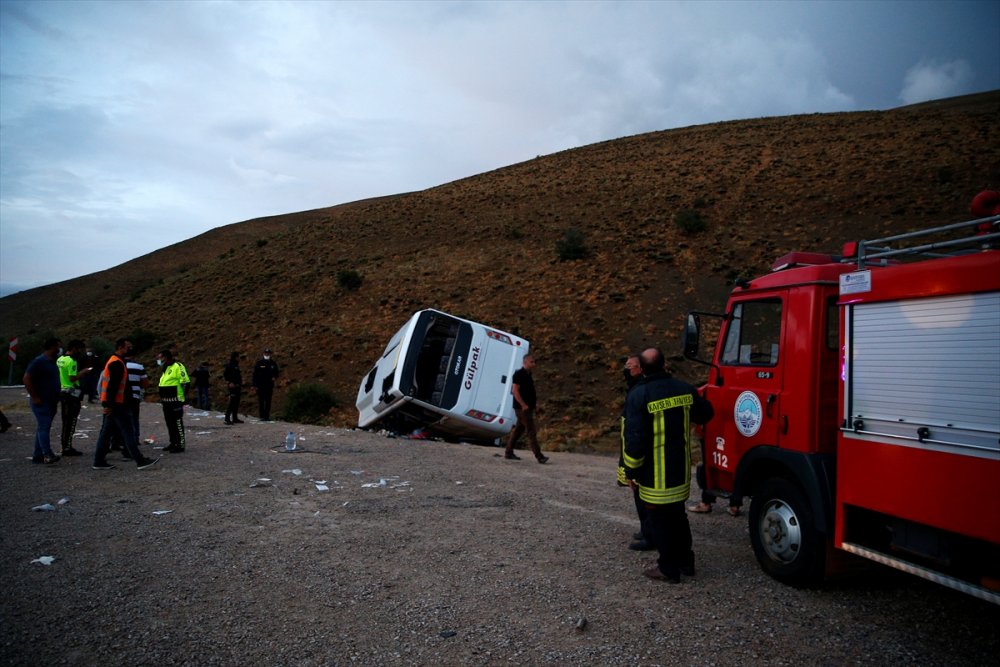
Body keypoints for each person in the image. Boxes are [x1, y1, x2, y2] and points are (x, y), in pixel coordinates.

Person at [623, 347, 713, 583]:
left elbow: (635, 438)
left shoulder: (639, 395)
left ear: (641, 369)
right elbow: (706, 414)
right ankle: (686, 562)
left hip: (655, 475)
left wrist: (630, 471)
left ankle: (668, 568)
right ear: (664, 364)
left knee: (659, 520)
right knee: (678, 516)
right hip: (680, 471)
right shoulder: (685, 389)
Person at [92, 338, 158, 470]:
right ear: (121, 347)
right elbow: (112, 387)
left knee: (106, 433)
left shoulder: (116, 361)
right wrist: (109, 405)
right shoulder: (117, 363)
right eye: (128, 347)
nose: (130, 349)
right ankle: (139, 460)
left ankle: (98, 461)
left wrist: (107, 405)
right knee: (128, 432)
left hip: (115, 405)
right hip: (118, 405)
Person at [617, 354, 653, 551]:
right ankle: (646, 529)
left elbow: (637, 428)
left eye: (629, 366)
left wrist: (631, 463)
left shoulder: (640, 389)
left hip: (637, 452)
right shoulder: (634, 387)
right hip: (630, 448)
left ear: (640, 368)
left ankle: (650, 534)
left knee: (641, 494)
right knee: (637, 493)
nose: (626, 369)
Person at [24, 338, 63, 464]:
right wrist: (35, 397)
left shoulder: (52, 362)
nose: (59, 349)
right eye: (58, 346)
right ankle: (48, 454)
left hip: (51, 401)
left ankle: (38, 455)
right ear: (52, 347)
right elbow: (27, 378)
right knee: (44, 426)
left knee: (43, 427)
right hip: (41, 401)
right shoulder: (39, 361)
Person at [504, 354, 548, 463]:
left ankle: (508, 452)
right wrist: (523, 405)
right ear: (525, 362)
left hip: (528, 408)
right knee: (531, 431)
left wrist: (533, 406)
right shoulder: (519, 374)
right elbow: (515, 391)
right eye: (532, 362)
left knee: (519, 430)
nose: (534, 364)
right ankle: (539, 456)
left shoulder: (529, 375)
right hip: (522, 408)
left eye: (534, 362)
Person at [56, 339, 91, 456]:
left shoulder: (60, 359)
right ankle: (67, 447)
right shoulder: (72, 361)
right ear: (74, 348)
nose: (80, 352)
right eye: (79, 349)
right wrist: (84, 372)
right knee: (71, 421)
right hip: (72, 394)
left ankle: (64, 445)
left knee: (65, 421)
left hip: (63, 392)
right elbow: (72, 378)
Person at [157, 349, 189, 453]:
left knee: (178, 422)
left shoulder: (178, 366)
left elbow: (186, 383)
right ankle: (173, 442)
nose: (159, 360)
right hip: (166, 401)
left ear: (166, 357)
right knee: (169, 423)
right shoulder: (165, 367)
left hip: (175, 400)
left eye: (160, 358)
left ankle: (181, 444)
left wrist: (182, 398)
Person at [252, 348, 280, 422]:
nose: (267, 354)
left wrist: (274, 377)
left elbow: (276, 373)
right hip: (261, 385)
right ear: (263, 353)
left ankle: (266, 416)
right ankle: (261, 416)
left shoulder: (273, 363)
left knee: (268, 401)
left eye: (268, 353)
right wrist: (254, 385)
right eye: (266, 353)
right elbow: (255, 374)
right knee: (261, 401)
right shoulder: (259, 363)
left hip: (269, 385)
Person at [223, 352, 244, 425]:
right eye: (238, 357)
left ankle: (235, 417)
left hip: (237, 385)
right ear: (235, 357)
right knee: (232, 402)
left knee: (236, 402)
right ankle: (227, 418)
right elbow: (226, 375)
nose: (239, 358)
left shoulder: (236, 365)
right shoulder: (230, 365)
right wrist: (230, 382)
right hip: (232, 386)